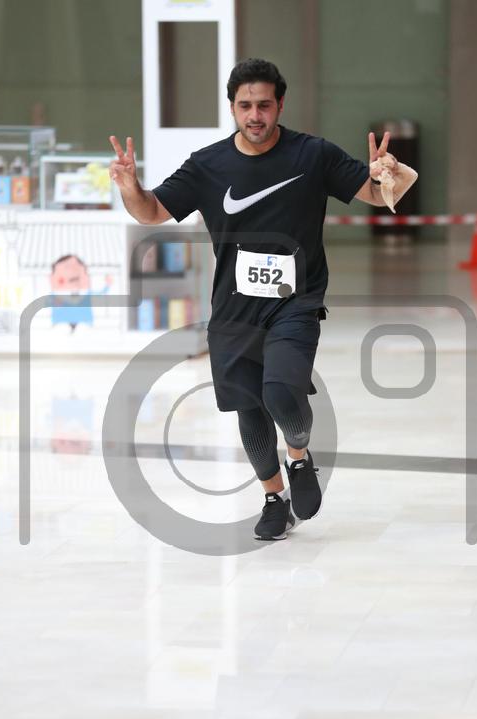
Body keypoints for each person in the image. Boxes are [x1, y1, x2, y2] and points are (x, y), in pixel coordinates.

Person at [109, 58, 418, 541]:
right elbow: (151, 212)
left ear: (280, 105)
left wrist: (388, 173)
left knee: (280, 391)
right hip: (233, 310)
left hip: (296, 300)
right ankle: (274, 499)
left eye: (264, 105)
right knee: (249, 408)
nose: (255, 115)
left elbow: (379, 197)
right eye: (245, 105)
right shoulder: (207, 165)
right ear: (232, 107)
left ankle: (299, 455)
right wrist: (131, 187)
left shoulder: (313, 155)